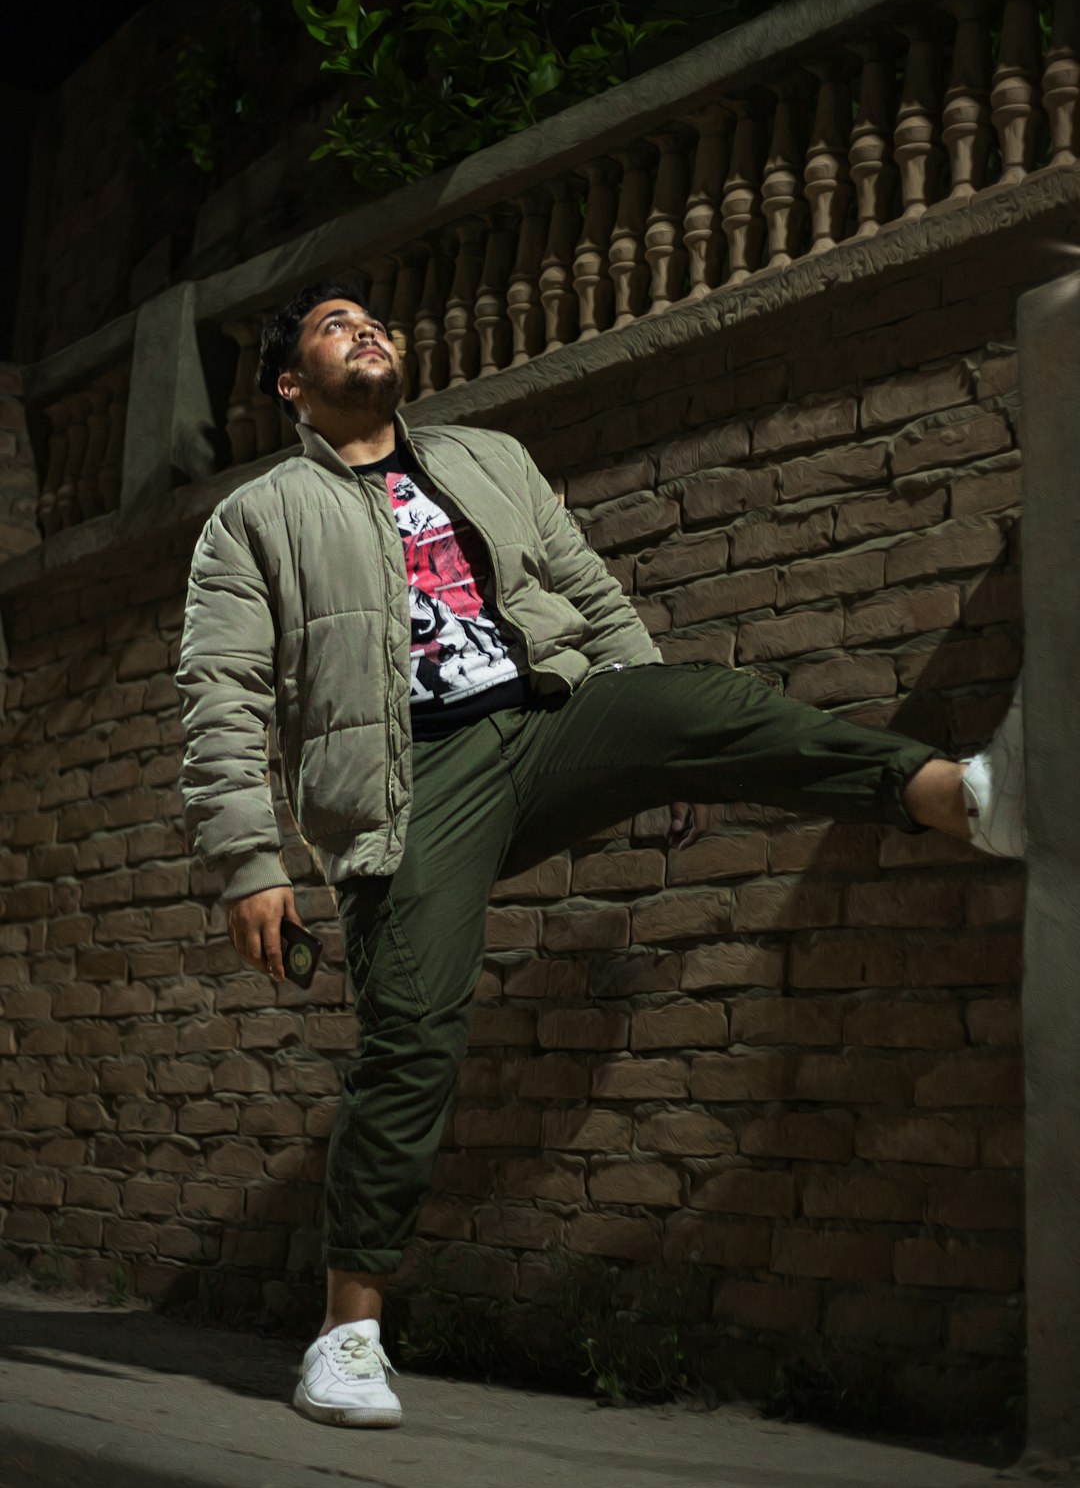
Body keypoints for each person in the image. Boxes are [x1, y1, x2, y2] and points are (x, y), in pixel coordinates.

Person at [175, 281, 1025, 1429]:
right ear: (291, 383)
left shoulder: (489, 457)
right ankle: (346, 1333)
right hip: (410, 784)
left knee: (709, 702)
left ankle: (958, 798)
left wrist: (654, 739)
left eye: (377, 317)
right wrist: (251, 862)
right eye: (334, 325)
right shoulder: (258, 516)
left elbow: (586, 590)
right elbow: (218, 694)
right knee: (413, 1026)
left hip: (548, 717)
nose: (368, 329)